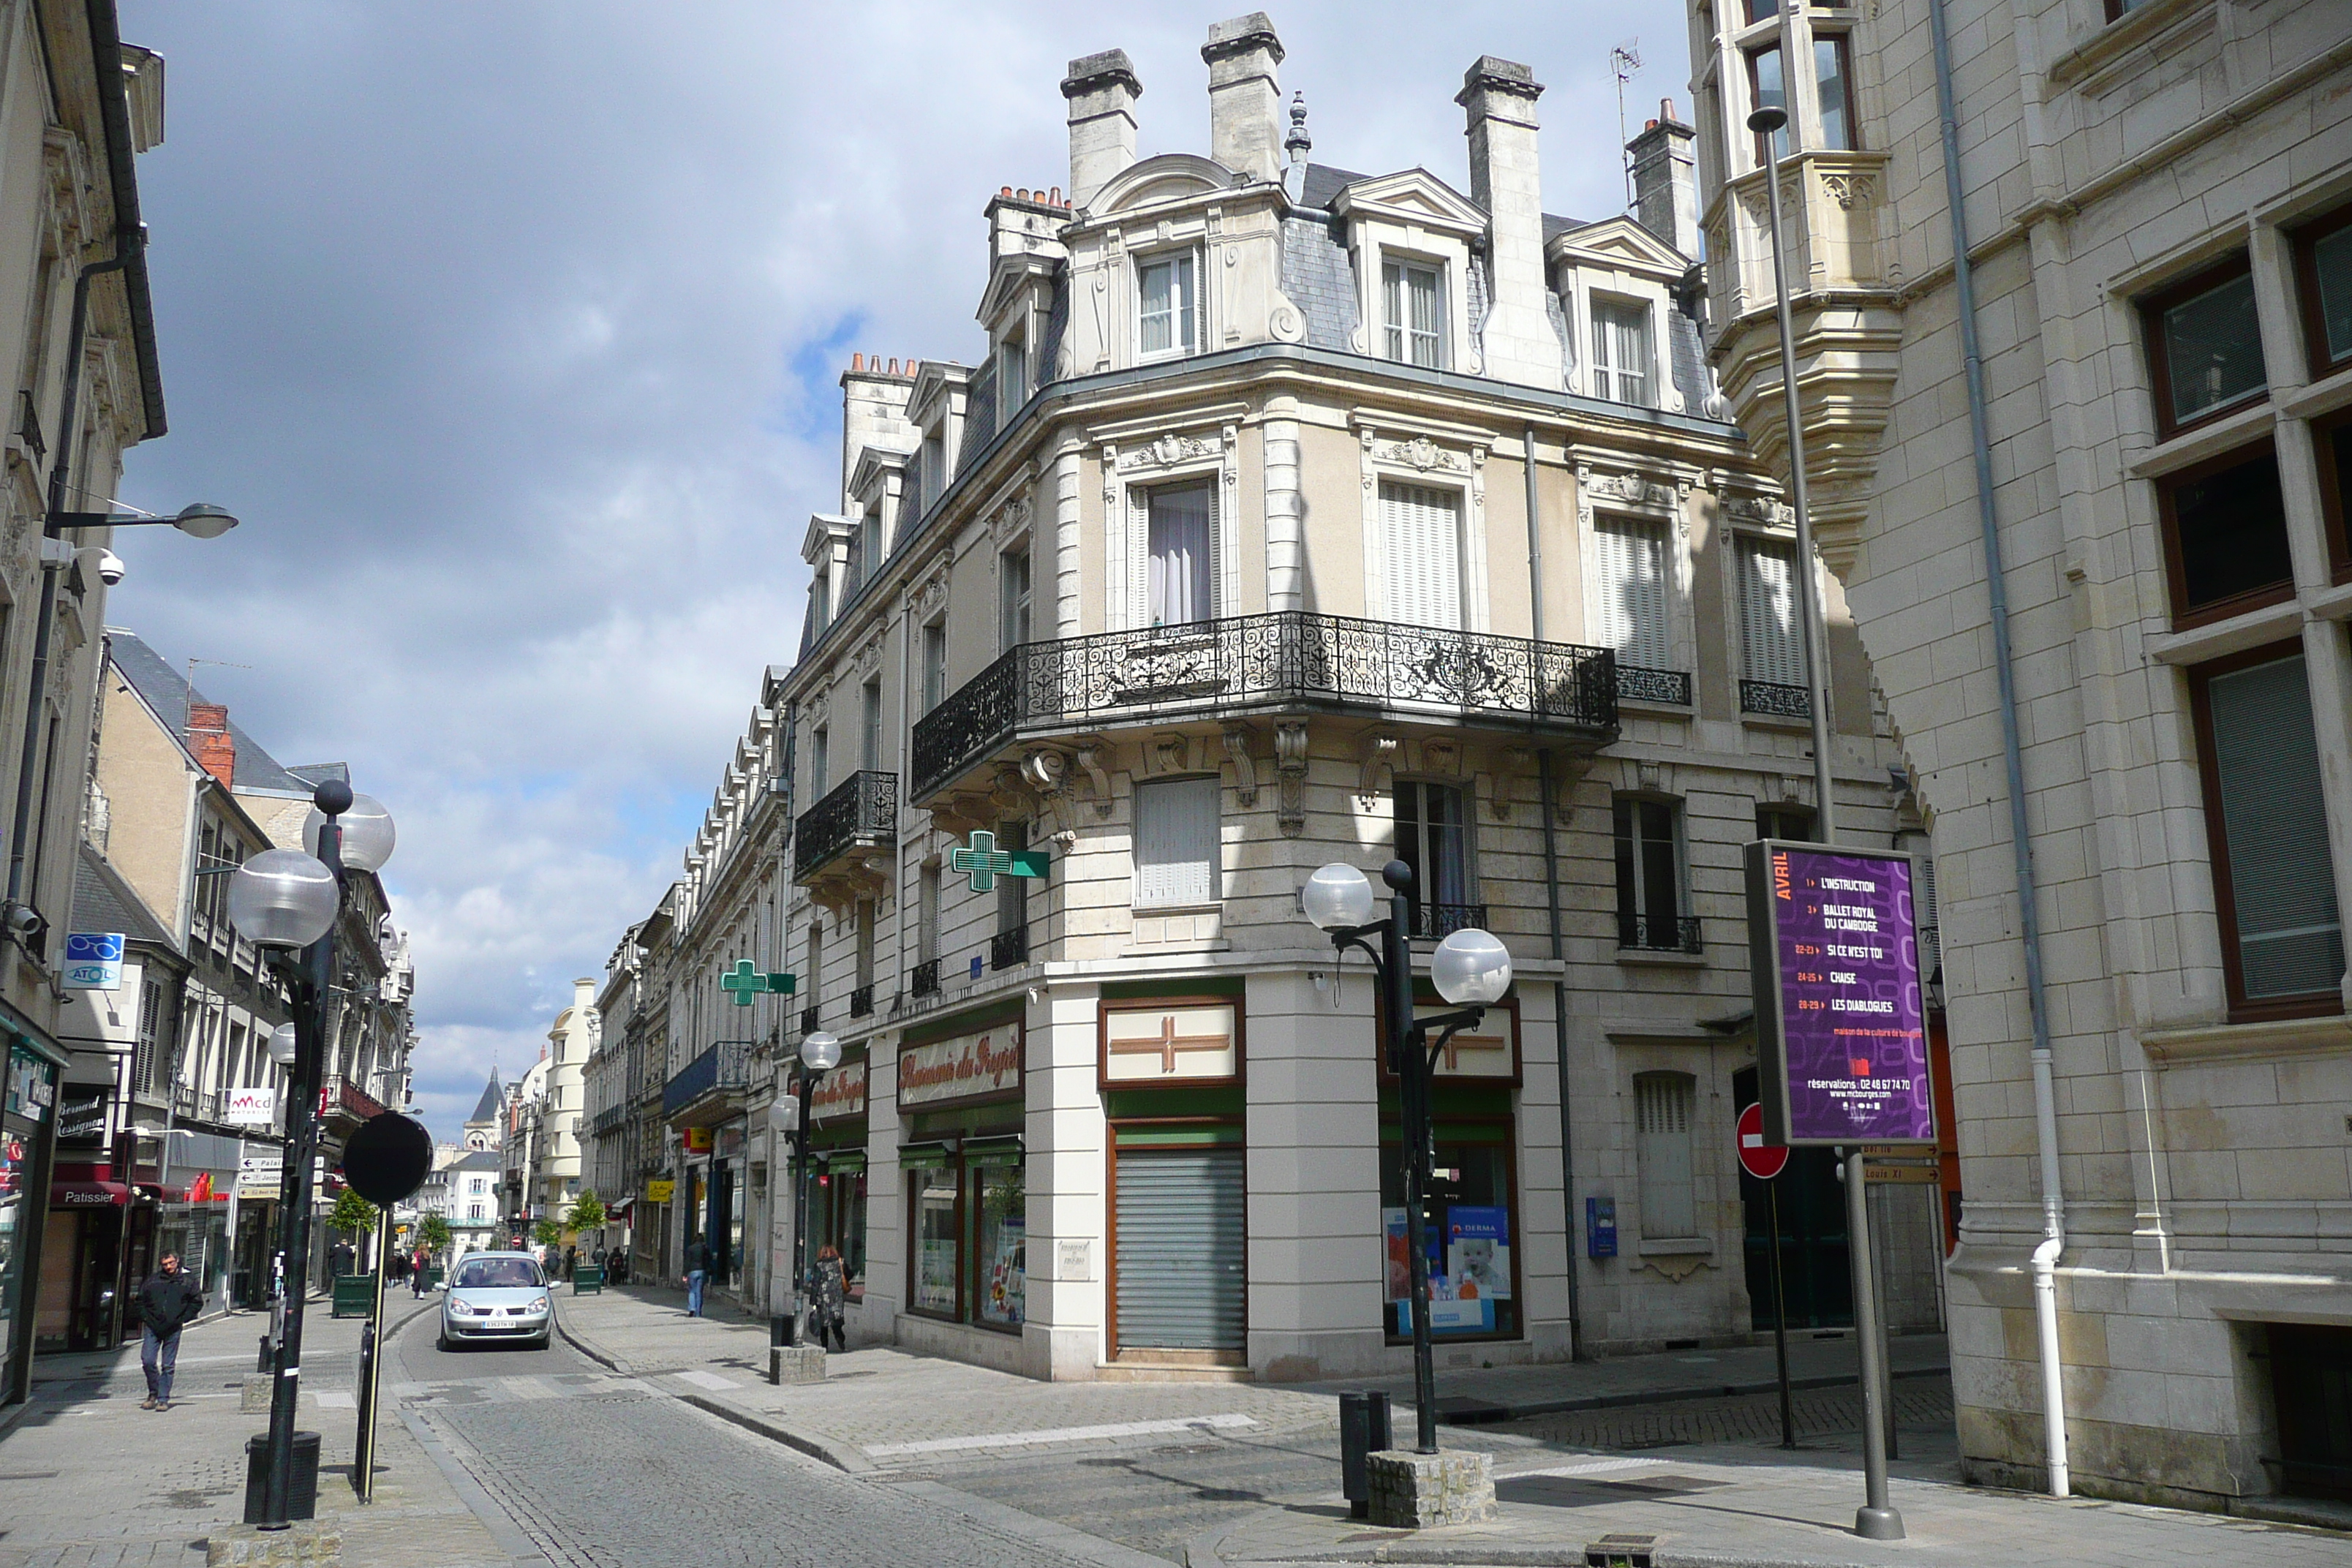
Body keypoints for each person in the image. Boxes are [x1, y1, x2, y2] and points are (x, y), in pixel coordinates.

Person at [135, 1254, 203, 1411]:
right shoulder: (153, 1281)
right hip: (153, 1327)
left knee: (168, 1365)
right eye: (165, 1264)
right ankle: (154, 1392)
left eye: (171, 1263)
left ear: (177, 1261)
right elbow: (140, 1300)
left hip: (173, 1328)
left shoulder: (187, 1281)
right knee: (148, 1361)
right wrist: (146, 1317)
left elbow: (196, 1302)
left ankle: (162, 1399)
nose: (168, 1267)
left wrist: (183, 1318)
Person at [810, 1244, 848, 1353]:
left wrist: (813, 1300)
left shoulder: (819, 1265)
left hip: (823, 1298)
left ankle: (824, 1347)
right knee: (836, 1321)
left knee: (824, 1325)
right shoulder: (840, 1262)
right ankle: (840, 1340)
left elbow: (815, 1283)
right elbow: (849, 1274)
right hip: (837, 1297)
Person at [684, 1236, 706, 1317]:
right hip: (701, 1271)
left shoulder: (690, 1249)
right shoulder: (705, 1249)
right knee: (699, 1292)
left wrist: (685, 1274)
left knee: (692, 1291)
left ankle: (692, 1308)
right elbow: (708, 1260)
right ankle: (698, 1312)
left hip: (692, 1271)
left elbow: (687, 1262)